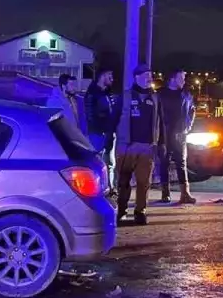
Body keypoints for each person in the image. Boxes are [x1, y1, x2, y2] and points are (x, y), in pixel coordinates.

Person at [116, 63, 163, 226]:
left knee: (144, 182)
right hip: (127, 146)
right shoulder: (126, 96)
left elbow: (160, 122)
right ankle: (121, 210)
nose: (147, 79)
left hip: (147, 147)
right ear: (136, 78)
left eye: (149, 76)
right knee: (123, 181)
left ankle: (140, 211)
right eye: (144, 76)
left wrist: (161, 143)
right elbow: (114, 118)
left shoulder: (155, 97)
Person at [157, 69, 197, 205]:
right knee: (164, 163)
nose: (183, 81)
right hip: (164, 134)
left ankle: (185, 194)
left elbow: (192, 111)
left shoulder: (186, 94)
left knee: (182, 164)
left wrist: (188, 126)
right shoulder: (160, 94)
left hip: (180, 134)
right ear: (172, 79)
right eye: (181, 78)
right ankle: (165, 193)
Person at [84, 67, 121, 193]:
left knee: (110, 163)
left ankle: (110, 188)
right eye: (110, 75)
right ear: (102, 75)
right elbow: (89, 115)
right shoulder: (92, 93)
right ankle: (98, 189)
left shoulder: (107, 92)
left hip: (110, 132)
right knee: (98, 162)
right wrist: (99, 129)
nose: (112, 78)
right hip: (98, 133)